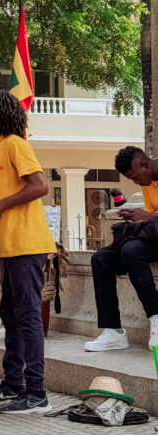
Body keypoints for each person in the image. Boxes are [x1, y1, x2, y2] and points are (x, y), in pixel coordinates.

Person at [0, 87, 54, 414]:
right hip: (7, 249)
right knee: (9, 315)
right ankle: (12, 384)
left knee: (28, 317)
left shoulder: (15, 144)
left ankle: (37, 394)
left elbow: (39, 186)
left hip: (28, 244)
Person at [85, 145, 158, 352]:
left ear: (144, 164)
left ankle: (156, 316)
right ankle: (113, 331)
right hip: (153, 238)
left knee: (131, 250)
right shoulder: (148, 180)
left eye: (135, 176)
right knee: (100, 258)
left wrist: (144, 216)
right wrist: (136, 216)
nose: (136, 182)